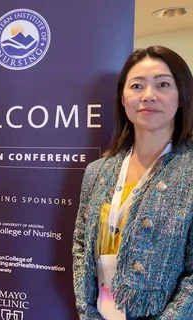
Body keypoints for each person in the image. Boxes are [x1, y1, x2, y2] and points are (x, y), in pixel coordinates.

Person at [72, 45, 193, 319]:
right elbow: (81, 247)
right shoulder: (97, 172)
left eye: (163, 84)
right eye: (137, 86)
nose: (148, 96)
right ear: (123, 98)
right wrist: (87, 312)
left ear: (182, 96)